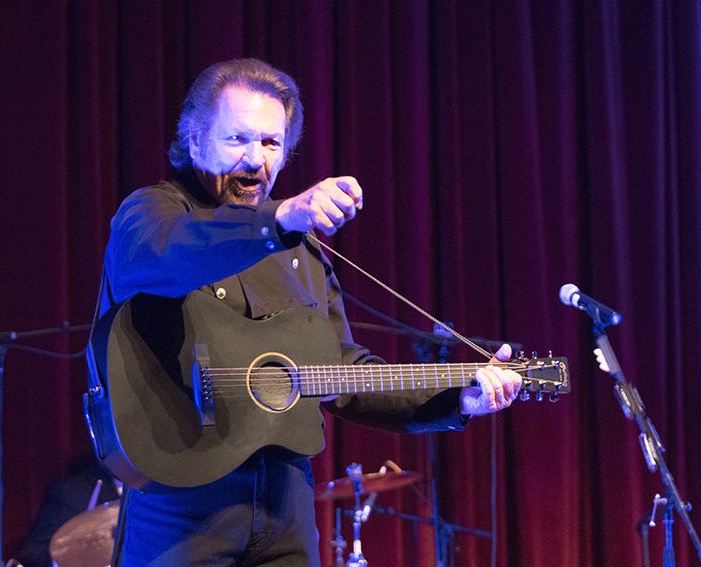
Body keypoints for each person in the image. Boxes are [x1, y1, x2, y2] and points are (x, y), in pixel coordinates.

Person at [99, 58, 521, 566]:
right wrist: (277, 219)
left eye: (271, 143)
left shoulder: (302, 256)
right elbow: (168, 256)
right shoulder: (153, 214)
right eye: (237, 140)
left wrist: (458, 399)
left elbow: (343, 374)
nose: (256, 160)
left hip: (286, 507)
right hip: (179, 507)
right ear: (194, 141)